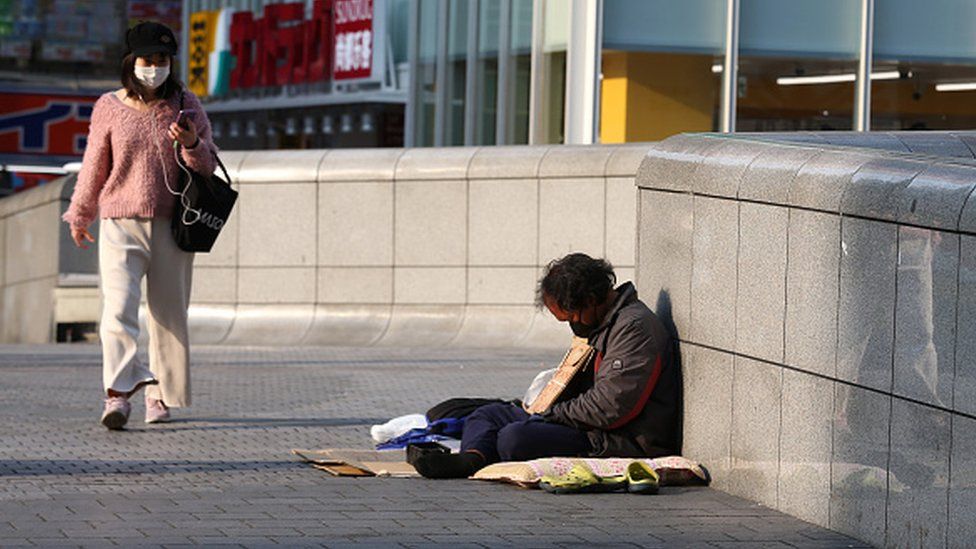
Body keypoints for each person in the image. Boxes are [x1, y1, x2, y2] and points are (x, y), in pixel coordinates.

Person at [63, 22, 216, 430]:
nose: (156, 67)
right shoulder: (109, 106)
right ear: (132, 62)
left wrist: (190, 143)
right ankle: (117, 395)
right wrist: (80, 213)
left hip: (173, 225)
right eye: (148, 60)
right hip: (119, 222)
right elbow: (95, 164)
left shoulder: (185, 103)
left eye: (163, 60)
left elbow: (208, 164)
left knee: (168, 315)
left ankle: (159, 395)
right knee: (117, 311)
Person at [413, 253, 681, 479]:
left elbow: (612, 407)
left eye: (572, 317)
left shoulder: (634, 328)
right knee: (488, 414)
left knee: (514, 438)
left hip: (621, 439)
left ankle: (491, 450)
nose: (572, 324)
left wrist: (553, 413)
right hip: (583, 421)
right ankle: (472, 459)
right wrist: (544, 406)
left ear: (590, 299)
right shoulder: (604, 323)